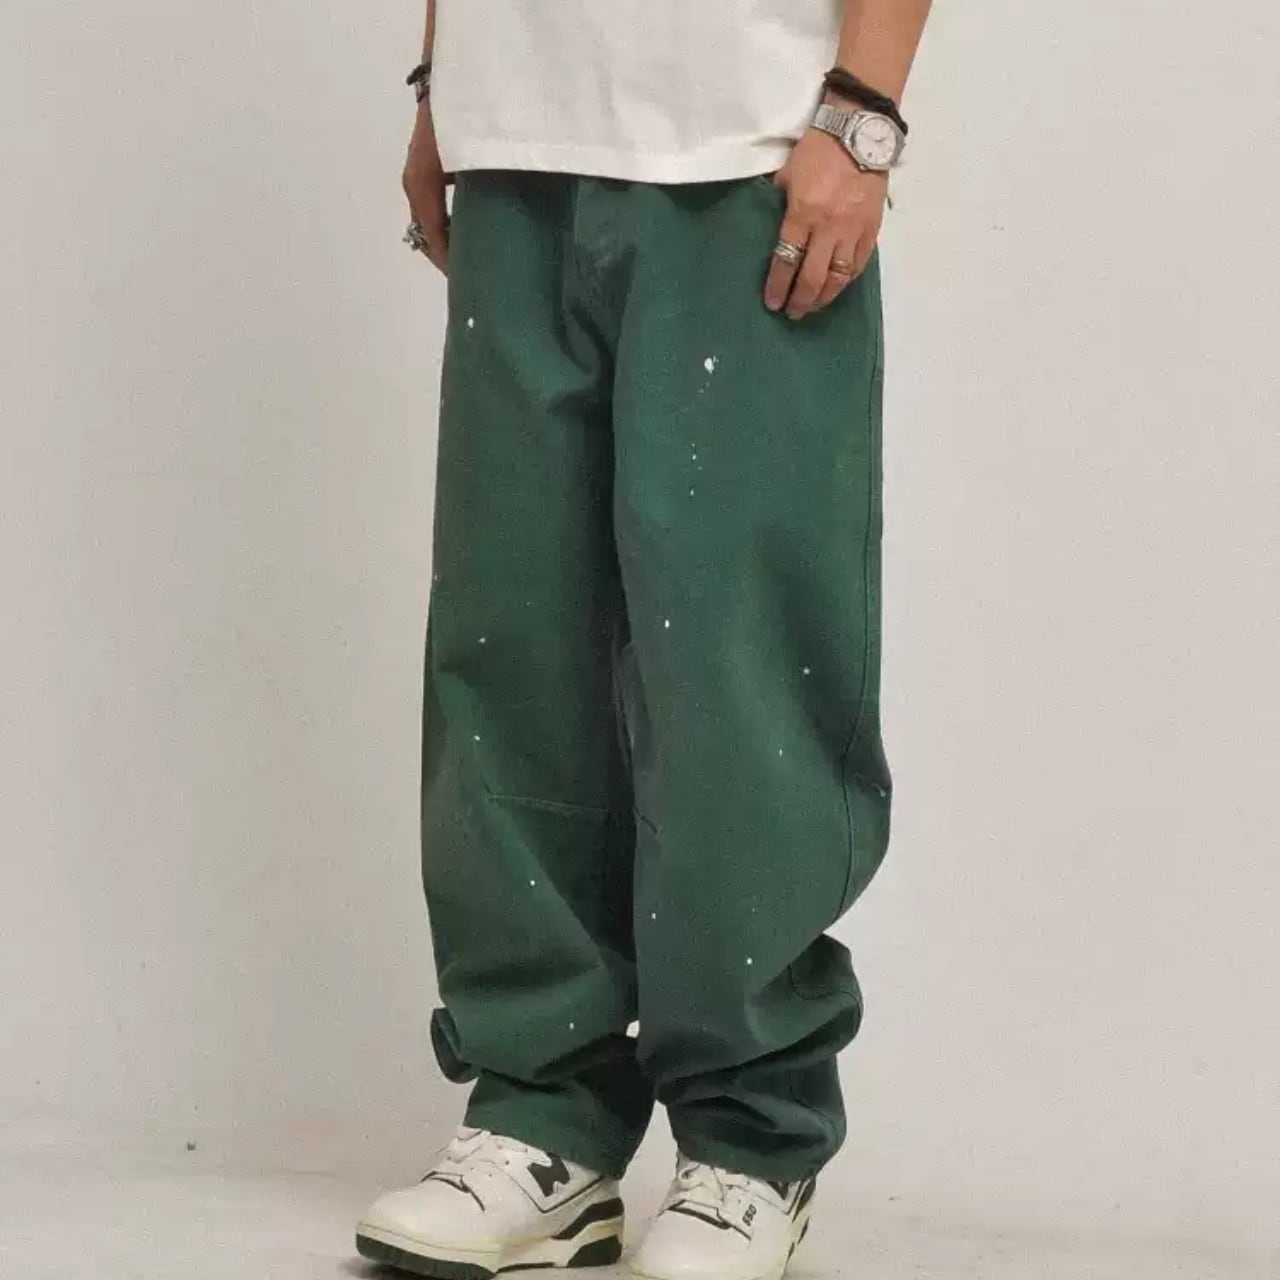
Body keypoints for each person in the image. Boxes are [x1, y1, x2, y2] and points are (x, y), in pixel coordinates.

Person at [357, 1, 932, 1277]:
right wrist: (441, 85)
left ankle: (751, 1140)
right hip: (513, 138)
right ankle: (539, 1114)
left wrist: (862, 112)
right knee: (510, 643)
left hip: (751, 142)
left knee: (737, 659)